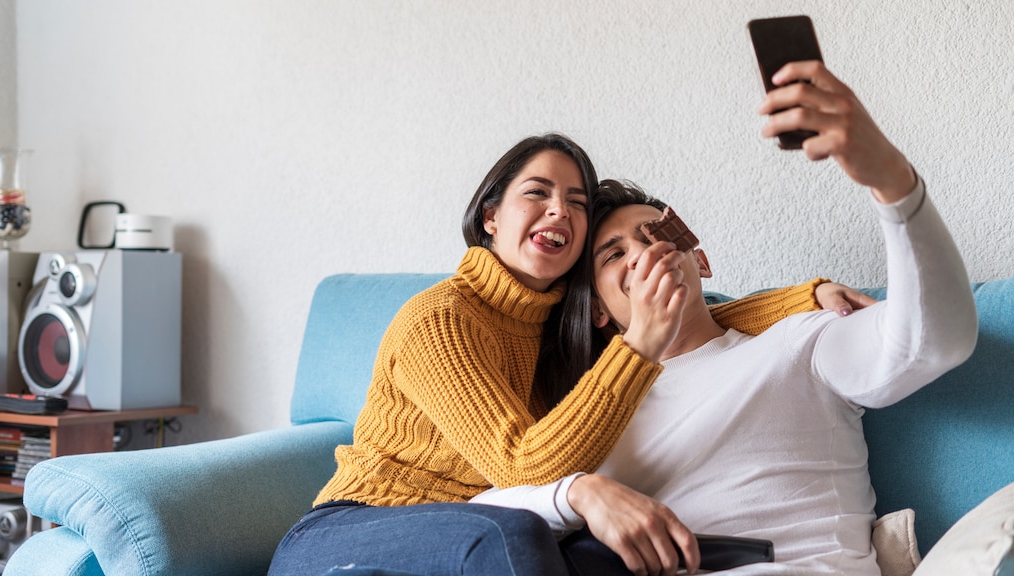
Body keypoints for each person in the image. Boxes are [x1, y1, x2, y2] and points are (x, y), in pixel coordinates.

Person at [268, 132, 860, 576]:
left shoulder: (557, 324)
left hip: (478, 531)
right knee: (514, 537)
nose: (561, 210)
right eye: (538, 193)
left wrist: (798, 299)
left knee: (615, 556)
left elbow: (696, 322)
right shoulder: (441, 319)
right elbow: (520, 467)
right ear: (491, 217)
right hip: (353, 531)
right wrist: (587, 490)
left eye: (576, 202)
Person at [471, 61, 979, 576]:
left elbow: (934, 341)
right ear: (598, 311)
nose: (642, 258)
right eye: (613, 255)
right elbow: (480, 519)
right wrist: (579, 493)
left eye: (655, 238)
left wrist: (893, 183)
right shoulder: (587, 418)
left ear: (700, 261)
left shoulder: (797, 345)